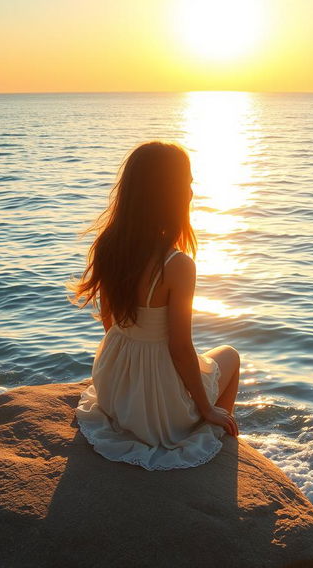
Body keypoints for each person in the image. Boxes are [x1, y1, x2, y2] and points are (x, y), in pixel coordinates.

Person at [69, 141, 240, 471]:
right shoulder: (177, 264)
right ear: (170, 194)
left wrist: (130, 366)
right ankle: (218, 438)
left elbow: (110, 323)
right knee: (230, 355)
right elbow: (179, 347)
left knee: (203, 362)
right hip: (157, 411)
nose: (191, 191)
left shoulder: (109, 246)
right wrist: (206, 407)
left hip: (115, 384)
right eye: (188, 183)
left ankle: (207, 426)